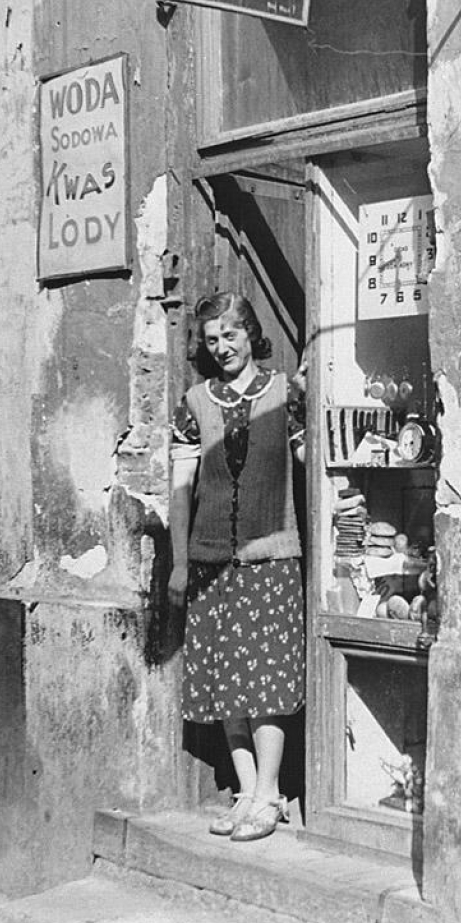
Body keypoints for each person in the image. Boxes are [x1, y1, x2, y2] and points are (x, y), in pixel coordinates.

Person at [168, 292, 307, 842]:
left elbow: (308, 464)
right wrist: (180, 563)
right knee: (227, 677)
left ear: (251, 334)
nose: (222, 347)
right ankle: (247, 790)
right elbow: (181, 492)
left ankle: (270, 794)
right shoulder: (194, 403)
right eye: (211, 339)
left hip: (271, 557)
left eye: (231, 335)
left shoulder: (285, 394)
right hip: (208, 562)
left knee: (266, 678)